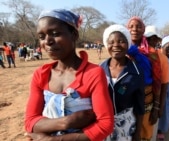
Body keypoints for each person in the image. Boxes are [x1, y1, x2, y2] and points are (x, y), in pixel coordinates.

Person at [24, 9, 114, 141]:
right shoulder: (41, 75)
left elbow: (105, 124)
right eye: (42, 37)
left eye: (55, 33)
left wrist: (51, 139)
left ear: (74, 35)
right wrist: (67, 122)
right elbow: (30, 122)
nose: (47, 41)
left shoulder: (93, 73)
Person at [100, 24, 145, 141]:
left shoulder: (136, 72)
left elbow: (140, 106)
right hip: (102, 124)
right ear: (106, 45)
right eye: (111, 42)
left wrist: (138, 132)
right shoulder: (98, 70)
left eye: (121, 41)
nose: (116, 45)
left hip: (126, 125)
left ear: (128, 44)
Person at [126, 16, 161, 141]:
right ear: (126, 29)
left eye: (139, 26)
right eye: (131, 26)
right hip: (126, 99)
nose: (135, 29)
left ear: (143, 30)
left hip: (146, 99)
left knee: (144, 132)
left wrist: (156, 108)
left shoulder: (152, 53)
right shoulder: (120, 50)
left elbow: (157, 81)